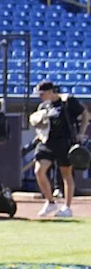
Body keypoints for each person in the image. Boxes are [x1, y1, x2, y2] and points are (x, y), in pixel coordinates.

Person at [32, 80, 86, 218]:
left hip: (64, 141)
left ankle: (67, 207)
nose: (40, 96)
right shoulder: (44, 106)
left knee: (66, 174)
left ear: (51, 92)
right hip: (47, 141)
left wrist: (81, 133)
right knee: (39, 170)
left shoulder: (67, 101)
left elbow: (85, 114)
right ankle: (50, 202)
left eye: (42, 94)